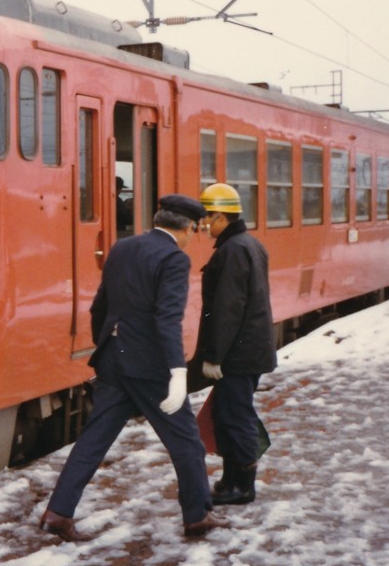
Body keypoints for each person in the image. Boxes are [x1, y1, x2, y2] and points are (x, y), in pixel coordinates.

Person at [39, 195, 229, 540]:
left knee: (93, 440)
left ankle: (58, 513)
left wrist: (109, 341)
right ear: (187, 227)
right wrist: (176, 372)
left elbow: (100, 306)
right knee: (186, 441)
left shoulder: (122, 248)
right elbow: (167, 319)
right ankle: (198, 515)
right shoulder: (174, 259)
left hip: (115, 359)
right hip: (151, 367)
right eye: (193, 231)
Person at [196, 183, 277, 505]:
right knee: (229, 413)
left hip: (238, 354)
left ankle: (243, 487)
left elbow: (228, 308)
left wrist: (214, 356)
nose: (203, 225)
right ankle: (231, 480)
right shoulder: (248, 244)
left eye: (207, 218)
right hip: (246, 349)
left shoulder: (232, 250)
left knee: (236, 416)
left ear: (219, 216)